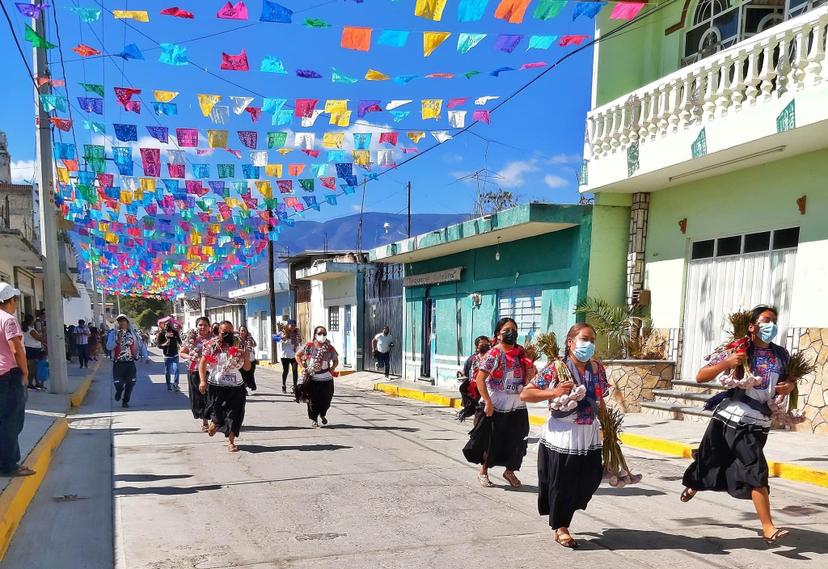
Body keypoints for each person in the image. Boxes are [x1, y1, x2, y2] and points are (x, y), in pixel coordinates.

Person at [681, 305, 795, 545]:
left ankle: (694, 485)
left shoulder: (781, 355)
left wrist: (789, 386)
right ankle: (768, 528)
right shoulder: (739, 348)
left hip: (761, 422)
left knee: (713, 459)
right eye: (765, 320)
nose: (771, 325)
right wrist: (728, 362)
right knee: (756, 469)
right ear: (752, 327)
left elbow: (786, 381)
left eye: (774, 320)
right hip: (734, 418)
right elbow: (702, 376)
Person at [520, 323, 608, 549]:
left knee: (590, 479)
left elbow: (601, 399)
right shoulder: (556, 368)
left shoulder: (598, 369)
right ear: (570, 343)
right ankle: (561, 527)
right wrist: (554, 392)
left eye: (592, 340)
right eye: (584, 339)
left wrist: (607, 426)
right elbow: (526, 393)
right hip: (564, 434)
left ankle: (565, 512)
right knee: (563, 484)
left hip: (588, 433)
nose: (589, 344)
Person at [464, 318, 534, 488]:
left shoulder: (521, 352)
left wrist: (531, 371)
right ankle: (484, 471)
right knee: (492, 440)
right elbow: (481, 379)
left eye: (514, 329)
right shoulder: (494, 353)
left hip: (516, 402)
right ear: (498, 334)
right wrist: (487, 402)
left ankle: (509, 470)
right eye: (507, 330)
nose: (512, 333)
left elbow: (528, 377)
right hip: (496, 402)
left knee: (519, 437)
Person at [198, 321, 251, 452]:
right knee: (218, 412)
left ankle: (231, 441)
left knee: (234, 414)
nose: (227, 334)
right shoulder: (212, 345)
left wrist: (245, 356)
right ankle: (215, 423)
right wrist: (202, 381)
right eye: (224, 332)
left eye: (230, 332)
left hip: (235, 386)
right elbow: (203, 363)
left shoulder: (239, 344)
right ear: (218, 332)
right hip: (216, 386)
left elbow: (247, 368)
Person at [0, 283, 35, 477]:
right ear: (10, 301)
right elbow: (16, 349)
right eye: (15, 300)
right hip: (8, 376)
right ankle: (9, 465)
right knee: (12, 421)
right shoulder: (9, 320)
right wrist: (25, 372)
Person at [295, 326, 339, 428]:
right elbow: (297, 355)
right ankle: (314, 419)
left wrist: (332, 368)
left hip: (327, 379)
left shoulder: (330, 348)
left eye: (324, 334)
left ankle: (323, 414)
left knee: (326, 400)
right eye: (319, 333)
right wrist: (302, 367)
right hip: (313, 379)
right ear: (315, 334)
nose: (322, 336)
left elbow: (336, 360)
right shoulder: (309, 346)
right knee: (313, 401)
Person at [181, 317, 213, 432]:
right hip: (194, 370)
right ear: (196, 326)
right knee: (199, 397)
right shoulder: (191, 340)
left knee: (212, 396)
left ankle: (214, 419)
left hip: (211, 371)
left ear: (209, 326)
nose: (202, 327)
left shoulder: (214, 340)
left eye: (205, 325)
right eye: (200, 325)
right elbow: (182, 353)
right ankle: (205, 421)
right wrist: (191, 357)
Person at [106, 314, 145, 409]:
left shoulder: (133, 333)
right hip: (118, 363)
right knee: (118, 383)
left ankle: (125, 401)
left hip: (130, 362)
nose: (122, 322)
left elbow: (141, 345)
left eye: (124, 320)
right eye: (120, 321)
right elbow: (108, 347)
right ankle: (119, 391)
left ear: (127, 322)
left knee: (131, 383)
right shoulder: (113, 334)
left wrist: (145, 356)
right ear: (117, 323)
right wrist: (117, 341)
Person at [457, 336, 490, 422]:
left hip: (488, 388)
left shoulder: (491, 358)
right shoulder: (472, 359)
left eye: (486, 344)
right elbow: (466, 371)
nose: (484, 346)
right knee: (478, 413)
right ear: (476, 346)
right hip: (474, 390)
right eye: (481, 344)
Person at [21, 314, 46, 390]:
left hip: (29, 348)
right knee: (32, 368)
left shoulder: (25, 329)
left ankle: (35, 383)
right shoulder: (31, 330)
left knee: (32, 367)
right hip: (33, 349)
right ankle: (30, 383)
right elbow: (40, 338)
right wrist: (44, 332)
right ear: (31, 321)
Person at [157, 322, 182, 392]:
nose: (169, 327)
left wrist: (181, 346)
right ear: (165, 326)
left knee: (176, 369)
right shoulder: (161, 334)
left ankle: (176, 384)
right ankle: (168, 385)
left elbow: (179, 341)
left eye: (170, 325)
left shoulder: (175, 332)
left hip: (175, 354)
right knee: (167, 371)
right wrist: (165, 344)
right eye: (167, 325)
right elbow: (158, 345)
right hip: (167, 356)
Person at [280, 319, 300, 394]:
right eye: (291, 325)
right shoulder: (283, 332)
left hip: (294, 355)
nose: (293, 327)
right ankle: (283, 385)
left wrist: (298, 340)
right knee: (286, 371)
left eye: (294, 326)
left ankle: (295, 387)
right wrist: (284, 338)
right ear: (288, 325)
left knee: (295, 371)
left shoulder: (296, 333)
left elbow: (299, 342)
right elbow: (279, 340)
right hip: (285, 355)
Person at [238, 325, 258, 392]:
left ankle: (250, 385)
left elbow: (255, 345)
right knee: (243, 375)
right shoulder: (237, 339)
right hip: (241, 359)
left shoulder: (249, 338)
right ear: (239, 331)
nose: (243, 332)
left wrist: (251, 340)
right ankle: (244, 388)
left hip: (251, 358)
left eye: (245, 330)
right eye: (242, 330)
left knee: (250, 373)